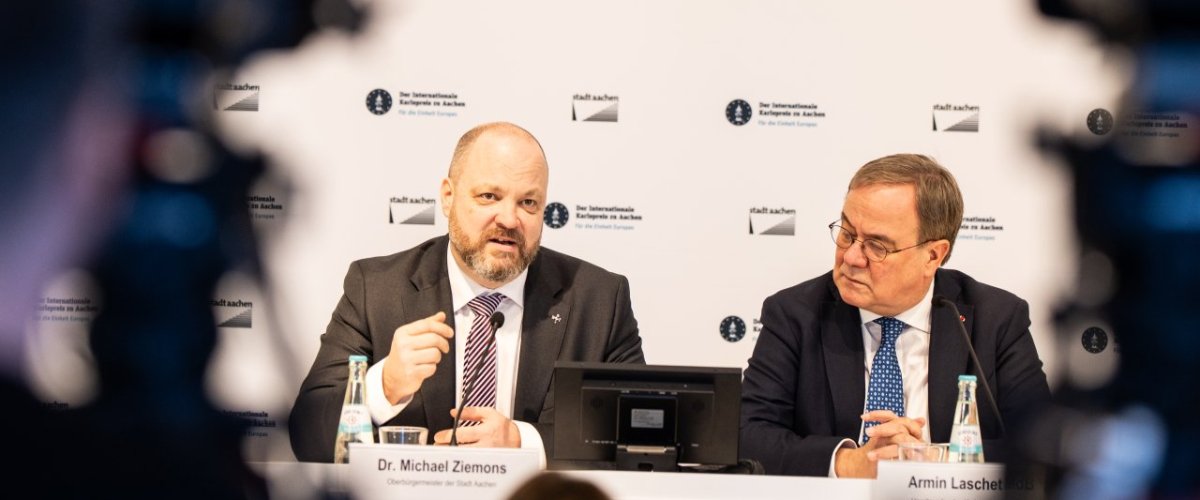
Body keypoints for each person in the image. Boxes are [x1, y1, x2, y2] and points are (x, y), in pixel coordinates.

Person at [289, 122, 645, 463]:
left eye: (529, 203)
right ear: (448, 197)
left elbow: (639, 437)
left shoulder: (598, 300)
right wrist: (385, 385)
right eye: (489, 196)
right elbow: (308, 435)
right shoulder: (377, 289)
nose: (508, 219)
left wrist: (524, 442)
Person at [739, 154, 1051, 478]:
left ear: (933, 255)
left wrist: (932, 460)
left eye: (877, 246)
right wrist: (851, 463)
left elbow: (1042, 444)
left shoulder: (996, 320)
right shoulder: (794, 315)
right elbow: (747, 434)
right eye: (846, 233)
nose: (851, 257)